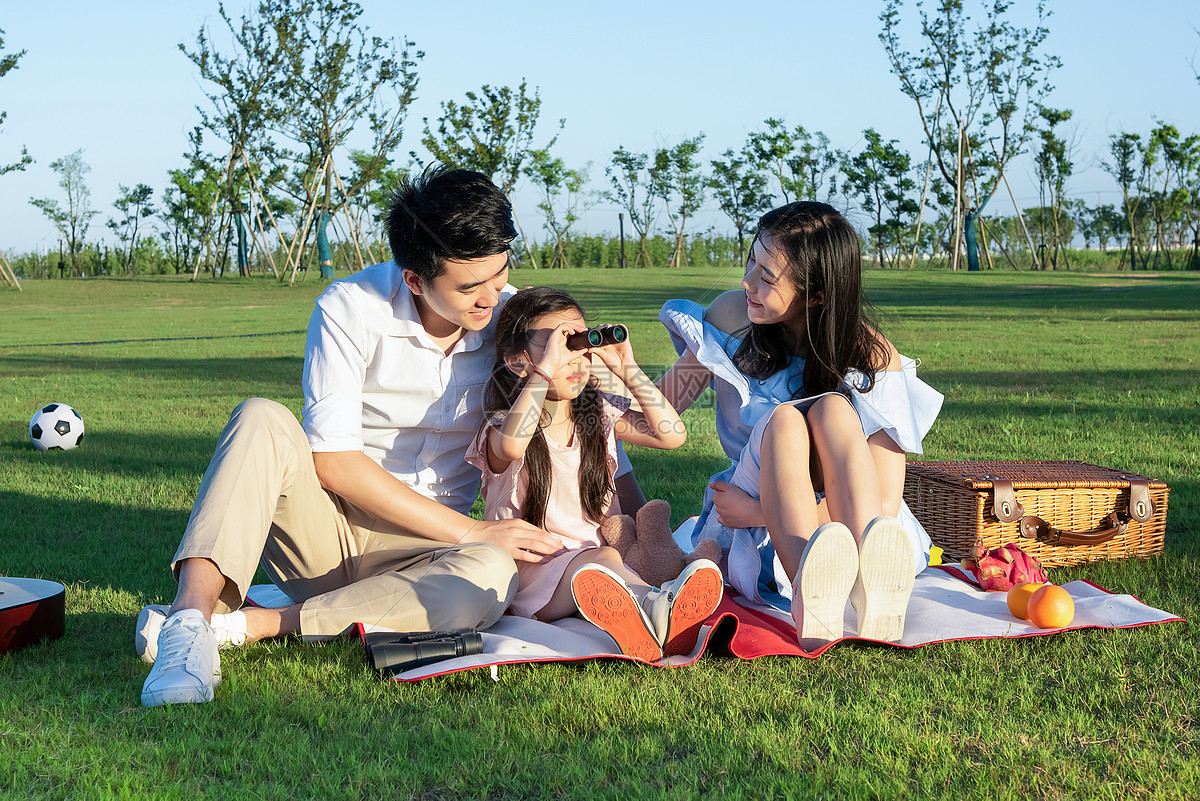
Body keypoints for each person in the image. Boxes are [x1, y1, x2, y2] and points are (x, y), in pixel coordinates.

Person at [137, 167, 578, 706]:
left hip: (430, 555)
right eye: (469, 287)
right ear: (415, 278)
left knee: (490, 572)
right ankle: (187, 624)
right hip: (327, 529)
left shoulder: (512, 321)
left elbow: (603, 406)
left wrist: (591, 361)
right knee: (260, 417)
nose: (490, 298)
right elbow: (335, 461)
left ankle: (245, 627)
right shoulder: (350, 307)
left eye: (500, 274)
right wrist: (472, 530)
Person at [656, 202, 943, 650]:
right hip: (758, 492)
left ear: (817, 295)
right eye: (751, 260)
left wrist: (759, 513)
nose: (746, 282)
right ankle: (812, 599)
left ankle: (870, 589)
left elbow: (885, 499)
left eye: (767, 277)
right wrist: (615, 370)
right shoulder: (731, 319)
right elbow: (664, 406)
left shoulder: (870, 356)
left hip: (848, 515)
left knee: (831, 409)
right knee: (788, 419)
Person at [467, 287, 723, 662]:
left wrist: (629, 370)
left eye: (581, 344)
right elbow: (512, 447)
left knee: (612, 560)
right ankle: (661, 613)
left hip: (604, 562)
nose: (575, 359)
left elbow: (672, 435)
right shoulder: (502, 427)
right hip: (537, 577)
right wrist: (544, 369)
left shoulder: (597, 415)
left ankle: (645, 617)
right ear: (518, 362)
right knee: (602, 561)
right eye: (560, 345)